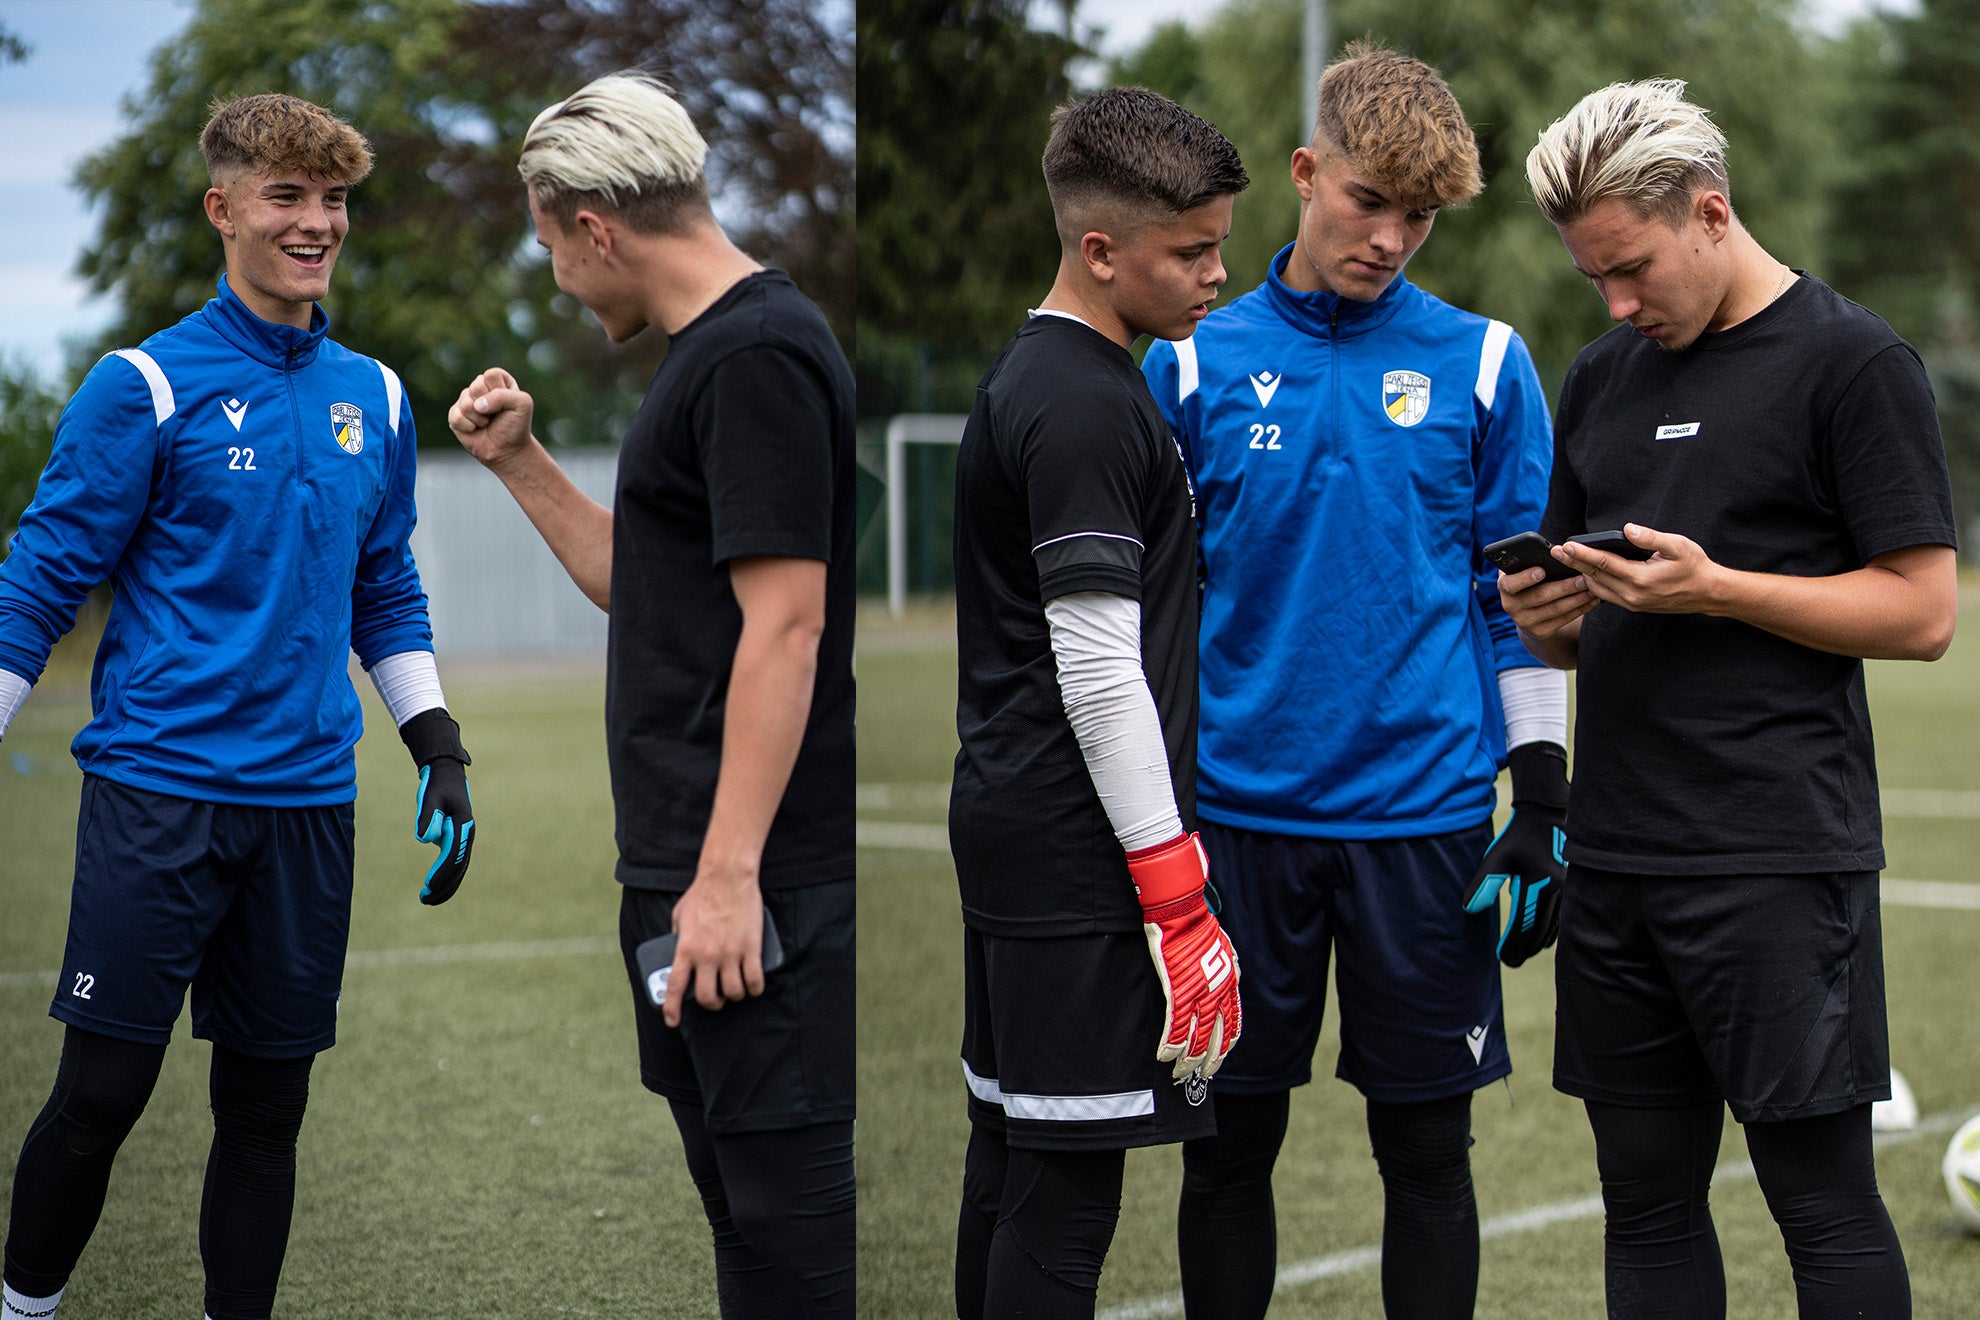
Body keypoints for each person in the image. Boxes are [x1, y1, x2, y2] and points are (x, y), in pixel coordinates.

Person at [0, 94, 475, 1320]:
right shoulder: (143, 384)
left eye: (333, 200)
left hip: (308, 808)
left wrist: (435, 741)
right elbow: (39, 584)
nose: (317, 223)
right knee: (102, 1095)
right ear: (225, 210)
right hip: (158, 795)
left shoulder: (373, 392)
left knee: (268, 1114)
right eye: (288, 197)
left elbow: (387, 584)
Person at [1505, 78, 1957, 1319]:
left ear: (1711, 214)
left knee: (1820, 1205)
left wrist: (1719, 591)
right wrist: (1554, 626)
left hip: (1775, 857)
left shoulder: (1855, 363)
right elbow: (1591, 627)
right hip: (1620, 859)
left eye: (1635, 268)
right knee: (1645, 1207)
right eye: (1595, 276)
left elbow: (1922, 614)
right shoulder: (1600, 376)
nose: (1617, 302)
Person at [1139, 45, 1561, 1319]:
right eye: (1368, 201)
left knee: (1428, 1156)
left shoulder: (1487, 363)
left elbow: (1520, 605)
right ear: (1307, 173)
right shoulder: (1190, 365)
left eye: (1419, 217)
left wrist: (1539, 796)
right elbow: (1156, 617)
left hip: (1425, 827)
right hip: (1236, 831)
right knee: (1225, 1157)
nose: (1391, 237)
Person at [444, 72, 855, 1317]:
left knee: (789, 1253)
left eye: (550, 247)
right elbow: (654, 585)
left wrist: (727, 876)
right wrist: (518, 463)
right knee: (741, 1224)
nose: (557, 276)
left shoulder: (760, 355)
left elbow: (787, 629)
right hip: (682, 873)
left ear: (595, 226)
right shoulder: (705, 359)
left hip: (756, 885)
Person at [949, 86, 1248, 1319]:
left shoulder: (1066, 375)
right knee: (1064, 1207)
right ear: (1101, 249)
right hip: (1080, 854)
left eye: (1222, 244)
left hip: (1027, 829)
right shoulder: (1079, 402)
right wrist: (1176, 901)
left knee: (1010, 1168)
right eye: (1191, 252)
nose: (1217, 275)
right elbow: (1096, 666)